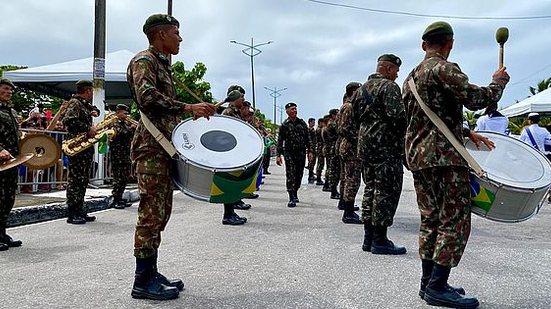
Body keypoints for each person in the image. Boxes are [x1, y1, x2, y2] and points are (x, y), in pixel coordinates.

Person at [402, 21, 509, 308]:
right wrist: (498, 81)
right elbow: (477, 99)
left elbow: (423, 119)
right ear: (450, 43)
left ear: (424, 45)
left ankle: (429, 283)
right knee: (454, 221)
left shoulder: (410, 78)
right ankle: (437, 286)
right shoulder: (444, 68)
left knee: (431, 219)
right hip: (445, 158)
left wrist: (464, 131)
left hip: (420, 158)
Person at [127, 13, 216, 300]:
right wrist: (189, 108)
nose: (180, 38)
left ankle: (151, 272)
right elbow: (147, 98)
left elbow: (164, 109)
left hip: (163, 149)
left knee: (160, 213)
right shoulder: (145, 61)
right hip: (151, 149)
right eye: (176, 33)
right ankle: (142, 281)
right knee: (150, 214)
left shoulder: (163, 66)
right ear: (161, 34)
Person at [356, 54, 407, 253]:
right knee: (385, 193)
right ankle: (380, 240)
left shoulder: (361, 90)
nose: (396, 75)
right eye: (395, 70)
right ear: (387, 69)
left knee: (370, 190)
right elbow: (399, 118)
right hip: (385, 149)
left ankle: (368, 239)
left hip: (366, 148)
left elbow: (354, 119)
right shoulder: (389, 87)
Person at [63, 80, 97, 225]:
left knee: (83, 179)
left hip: (84, 146)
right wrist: (87, 128)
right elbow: (69, 120)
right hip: (77, 144)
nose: (92, 94)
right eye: (91, 91)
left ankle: (79, 209)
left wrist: (94, 111)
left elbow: (95, 109)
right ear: (87, 90)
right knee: (75, 180)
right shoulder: (74, 103)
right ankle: (72, 212)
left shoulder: (83, 104)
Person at [221, 85, 252, 224]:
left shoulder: (236, 112)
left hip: (235, 153)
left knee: (234, 183)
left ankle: (231, 211)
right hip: (229, 154)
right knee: (229, 183)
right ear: (234, 98)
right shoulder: (228, 112)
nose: (243, 99)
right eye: (241, 97)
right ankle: (228, 215)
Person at [0, 78, 23, 251]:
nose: (9, 92)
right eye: (5, 88)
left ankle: (2, 233)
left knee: (8, 198)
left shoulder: (12, 112)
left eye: (11, 90)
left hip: (11, 160)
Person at [337, 82, 363, 224]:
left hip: (350, 147)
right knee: (352, 180)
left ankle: (348, 206)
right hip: (351, 148)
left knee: (349, 178)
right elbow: (344, 129)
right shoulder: (349, 107)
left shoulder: (348, 106)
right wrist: (360, 138)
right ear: (353, 92)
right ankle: (348, 212)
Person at [276, 102, 310, 207]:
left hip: (301, 152)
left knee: (299, 174)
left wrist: (311, 151)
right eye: (292, 109)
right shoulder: (284, 125)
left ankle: (295, 191)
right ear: (287, 111)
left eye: (295, 109)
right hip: (289, 153)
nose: (294, 111)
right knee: (290, 174)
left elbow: (307, 138)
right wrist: (278, 155)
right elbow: (280, 140)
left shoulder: (302, 123)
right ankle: (291, 197)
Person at [109, 104, 136, 209]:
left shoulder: (124, 123)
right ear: (118, 112)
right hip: (117, 154)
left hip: (125, 154)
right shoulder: (114, 123)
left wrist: (133, 129)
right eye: (124, 113)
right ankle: (115, 199)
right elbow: (120, 133)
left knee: (124, 177)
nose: (126, 115)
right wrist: (131, 128)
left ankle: (120, 197)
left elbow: (129, 135)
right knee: (118, 178)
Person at [322, 109, 340, 199]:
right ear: (333, 115)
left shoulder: (328, 125)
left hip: (330, 149)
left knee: (331, 169)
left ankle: (331, 187)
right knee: (333, 170)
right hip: (332, 149)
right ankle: (333, 190)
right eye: (337, 114)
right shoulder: (332, 124)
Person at [314, 118, 325, 185]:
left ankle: (318, 177)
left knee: (320, 163)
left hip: (320, 147)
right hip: (320, 148)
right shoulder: (319, 130)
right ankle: (318, 178)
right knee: (320, 163)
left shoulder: (318, 129)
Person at [306, 117, 317, 184]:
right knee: (311, 162)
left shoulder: (313, 130)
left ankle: (311, 174)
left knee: (313, 162)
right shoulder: (309, 130)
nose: (314, 123)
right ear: (310, 122)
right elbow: (309, 140)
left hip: (313, 148)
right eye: (313, 122)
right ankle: (310, 176)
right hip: (311, 149)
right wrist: (310, 149)